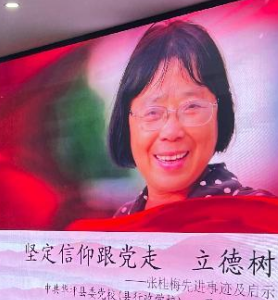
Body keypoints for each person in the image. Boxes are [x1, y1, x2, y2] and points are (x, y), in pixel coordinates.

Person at [107, 20, 268, 216]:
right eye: (152, 112)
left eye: (191, 107)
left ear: (220, 113)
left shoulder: (259, 216)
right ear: (126, 122)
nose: (171, 132)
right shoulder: (121, 219)